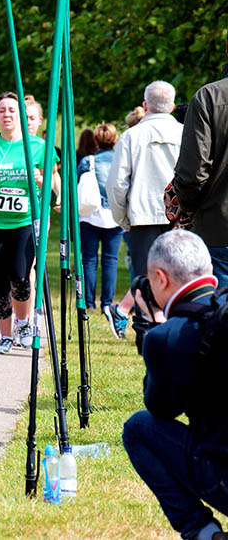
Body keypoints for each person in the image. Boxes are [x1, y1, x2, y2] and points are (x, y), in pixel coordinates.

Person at [122, 229, 227, 540]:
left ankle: (202, 532)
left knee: (139, 427)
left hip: (222, 477)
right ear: (210, 272)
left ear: (160, 278)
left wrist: (153, 331)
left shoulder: (168, 337)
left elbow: (161, 408)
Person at [0, 92, 59, 354]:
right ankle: (4, 336)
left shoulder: (38, 147)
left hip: (24, 221)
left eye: (12, 110)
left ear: (22, 115)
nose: (7, 115)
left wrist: (42, 181)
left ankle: (23, 323)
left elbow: (55, 185)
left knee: (21, 276)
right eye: (2, 110)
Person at [106, 81, 183, 293]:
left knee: (144, 280)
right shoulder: (185, 133)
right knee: (178, 278)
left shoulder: (131, 136)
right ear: (172, 105)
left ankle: (145, 324)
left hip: (142, 216)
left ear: (145, 104)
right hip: (179, 217)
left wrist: (122, 217)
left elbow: (116, 184)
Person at [173, 74, 228, 289]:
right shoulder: (209, 97)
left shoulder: (209, 96)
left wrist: (187, 208)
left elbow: (192, 175)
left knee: (220, 316)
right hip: (218, 226)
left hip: (218, 226)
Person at [77, 123, 125, 335]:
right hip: (114, 215)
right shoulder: (121, 159)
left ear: (95, 141)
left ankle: (89, 301)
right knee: (110, 260)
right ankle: (107, 302)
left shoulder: (89, 161)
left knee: (88, 259)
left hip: (90, 214)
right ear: (115, 140)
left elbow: (78, 182)